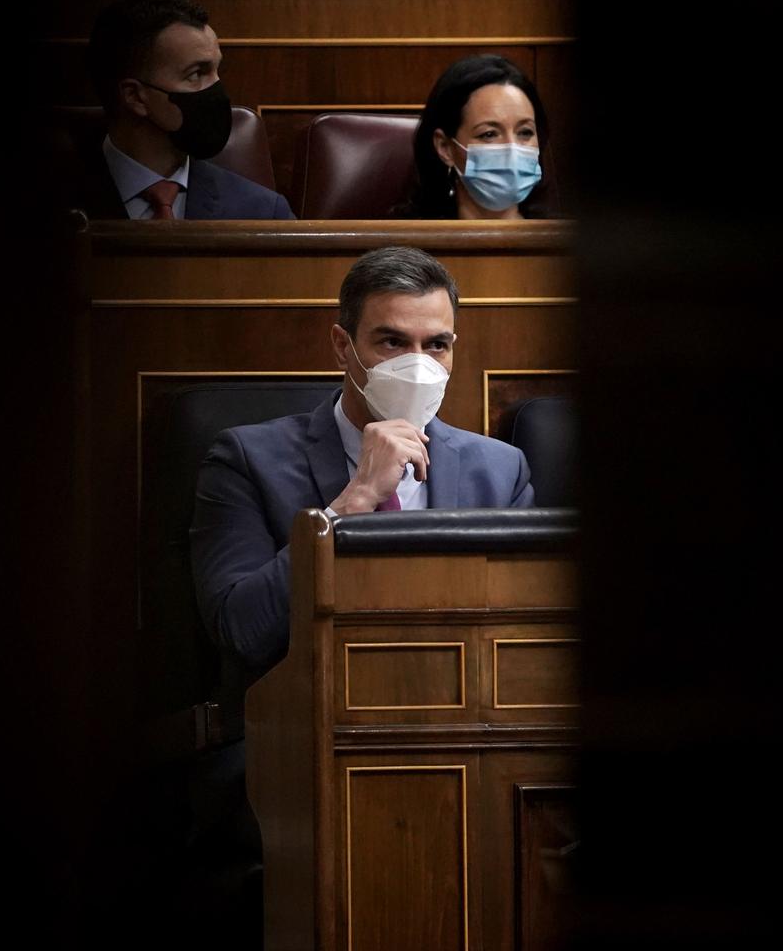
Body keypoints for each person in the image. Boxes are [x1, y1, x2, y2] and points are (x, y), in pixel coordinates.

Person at [191, 247, 536, 678]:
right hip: (306, 713)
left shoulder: (500, 472)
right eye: (392, 342)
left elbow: (520, 637)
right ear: (342, 346)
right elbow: (240, 632)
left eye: (436, 345)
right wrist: (351, 505)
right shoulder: (246, 460)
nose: (417, 364)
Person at [77, 0, 296, 219]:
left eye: (216, 71)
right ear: (135, 96)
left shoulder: (262, 211)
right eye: (196, 74)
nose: (217, 91)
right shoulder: (45, 206)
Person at [398, 54, 553, 219]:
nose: (512, 149)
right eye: (489, 134)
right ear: (445, 148)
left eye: (525, 132)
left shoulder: (565, 240)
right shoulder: (410, 241)